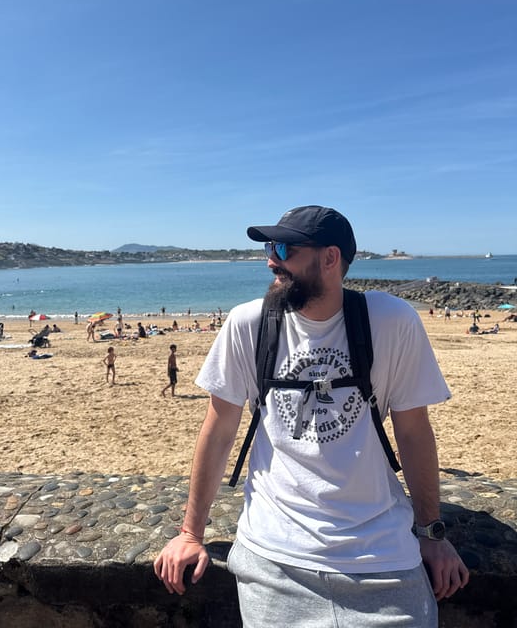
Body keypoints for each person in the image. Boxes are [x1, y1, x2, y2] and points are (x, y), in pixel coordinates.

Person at [154, 205, 469, 626]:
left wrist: (431, 533)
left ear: (330, 258)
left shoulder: (391, 321)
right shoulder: (248, 324)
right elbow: (219, 430)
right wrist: (191, 534)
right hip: (273, 557)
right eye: (269, 247)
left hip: (385, 557)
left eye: (284, 249)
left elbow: (412, 432)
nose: (271, 260)